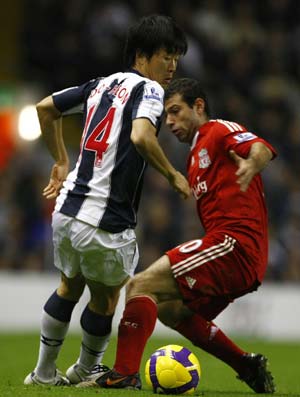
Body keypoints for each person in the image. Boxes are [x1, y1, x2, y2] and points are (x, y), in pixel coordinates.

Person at [80, 78, 277, 392]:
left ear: (198, 106)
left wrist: (252, 162)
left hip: (234, 245)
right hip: (238, 255)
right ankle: (246, 365)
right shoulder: (195, 154)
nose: (169, 122)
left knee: (140, 284)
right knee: (170, 310)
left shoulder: (216, 130)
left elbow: (261, 147)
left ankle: (123, 374)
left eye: (175, 112)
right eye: (165, 116)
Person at [24, 16, 190, 386]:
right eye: (167, 56)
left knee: (68, 286)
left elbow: (43, 108)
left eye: (177, 57)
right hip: (106, 220)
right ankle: (86, 368)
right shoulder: (149, 90)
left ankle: (44, 373)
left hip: (68, 210)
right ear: (144, 55)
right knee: (106, 299)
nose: (173, 66)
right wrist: (172, 174)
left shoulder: (100, 84)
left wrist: (61, 160)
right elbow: (142, 137)